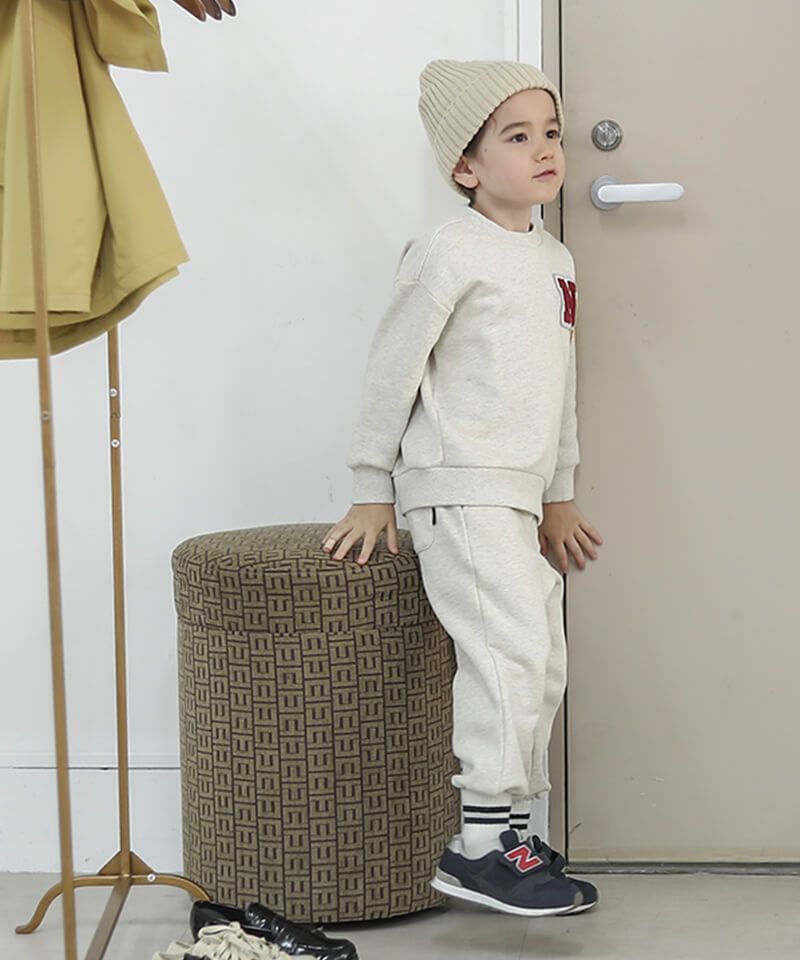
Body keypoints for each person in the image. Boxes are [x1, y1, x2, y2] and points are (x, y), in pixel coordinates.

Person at [321, 59, 604, 917]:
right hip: (459, 486)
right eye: (517, 137)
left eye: (550, 132)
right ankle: (478, 845)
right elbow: (393, 367)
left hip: (518, 494)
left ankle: (511, 831)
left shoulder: (555, 259)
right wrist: (372, 485)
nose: (544, 150)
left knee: (542, 659)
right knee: (506, 652)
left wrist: (559, 491)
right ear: (466, 167)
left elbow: (562, 387)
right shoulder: (447, 250)